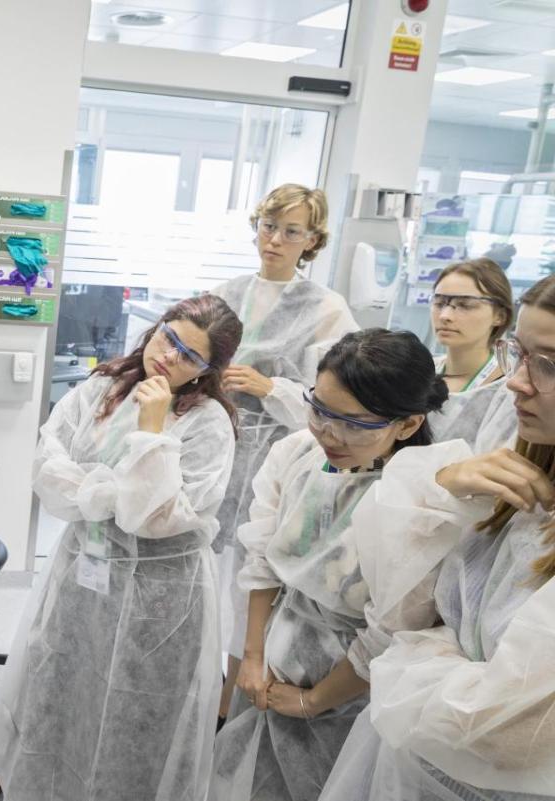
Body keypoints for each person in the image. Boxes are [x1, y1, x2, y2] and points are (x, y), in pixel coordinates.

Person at [0, 295, 243, 800]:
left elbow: (153, 517)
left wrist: (151, 432)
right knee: (60, 668)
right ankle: (35, 771)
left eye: (189, 356)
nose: (167, 356)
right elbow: (49, 467)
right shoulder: (102, 388)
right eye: (168, 337)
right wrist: (113, 494)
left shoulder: (208, 424)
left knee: (137, 702)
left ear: (210, 369)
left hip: (161, 596)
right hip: (85, 566)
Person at [319, 276, 555, 801]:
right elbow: (404, 594)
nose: (517, 382)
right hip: (412, 768)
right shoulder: (525, 472)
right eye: (518, 353)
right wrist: (443, 485)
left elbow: (504, 733)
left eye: (551, 365)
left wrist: (408, 655)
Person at [210, 329, 449, 801]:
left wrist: (313, 700)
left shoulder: (421, 501)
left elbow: (387, 633)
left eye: (354, 423)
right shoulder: (297, 453)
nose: (329, 434)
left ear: (406, 425)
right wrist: (254, 656)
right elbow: (263, 562)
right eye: (320, 410)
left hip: (349, 699)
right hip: (270, 670)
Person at [212, 184, 359, 721]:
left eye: (291, 231)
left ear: (312, 240)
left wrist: (269, 387)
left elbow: (338, 403)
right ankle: (199, 695)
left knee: (250, 580)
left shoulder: (326, 309)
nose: (274, 239)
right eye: (268, 226)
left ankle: (232, 704)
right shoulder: (226, 293)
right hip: (215, 452)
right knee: (206, 581)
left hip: (277, 462)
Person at [427, 258, 515, 447]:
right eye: (439, 303)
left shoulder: (508, 391)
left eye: (465, 305)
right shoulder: (420, 372)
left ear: (500, 315)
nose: (445, 316)